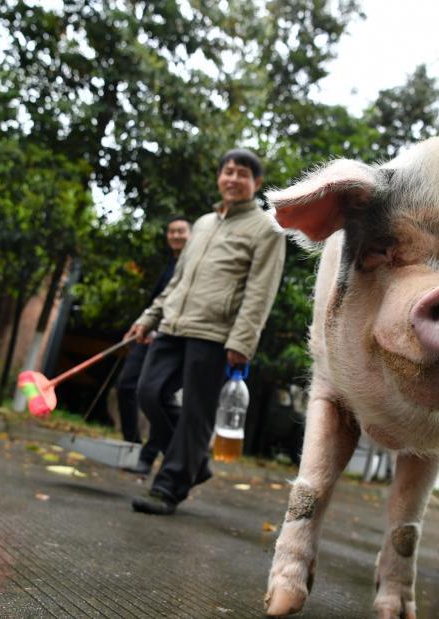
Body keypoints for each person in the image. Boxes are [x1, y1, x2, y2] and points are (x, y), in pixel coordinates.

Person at [125, 148, 285, 515]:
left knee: (196, 413)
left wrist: (242, 340)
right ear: (219, 177)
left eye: (242, 174)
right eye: (228, 171)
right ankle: (194, 461)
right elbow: (178, 280)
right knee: (148, 393)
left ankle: (168, 488)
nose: (233, 178)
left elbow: (261, 291)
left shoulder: (266, 228)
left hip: (216, 334)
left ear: (256, 183)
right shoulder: (202, 224)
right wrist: (149, 317)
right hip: (173, 324)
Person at [116, 215, 191, 475]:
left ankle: (149, 457)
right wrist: (141, 324)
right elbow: (158, 301)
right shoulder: (171, 264)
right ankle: (132, 447)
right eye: (171, 231)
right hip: (149, 335)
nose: (176, 235)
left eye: (181, 231)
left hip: (172, 337)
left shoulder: (193, 262)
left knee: (156, 395)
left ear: (191, 234)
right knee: (126, 386)